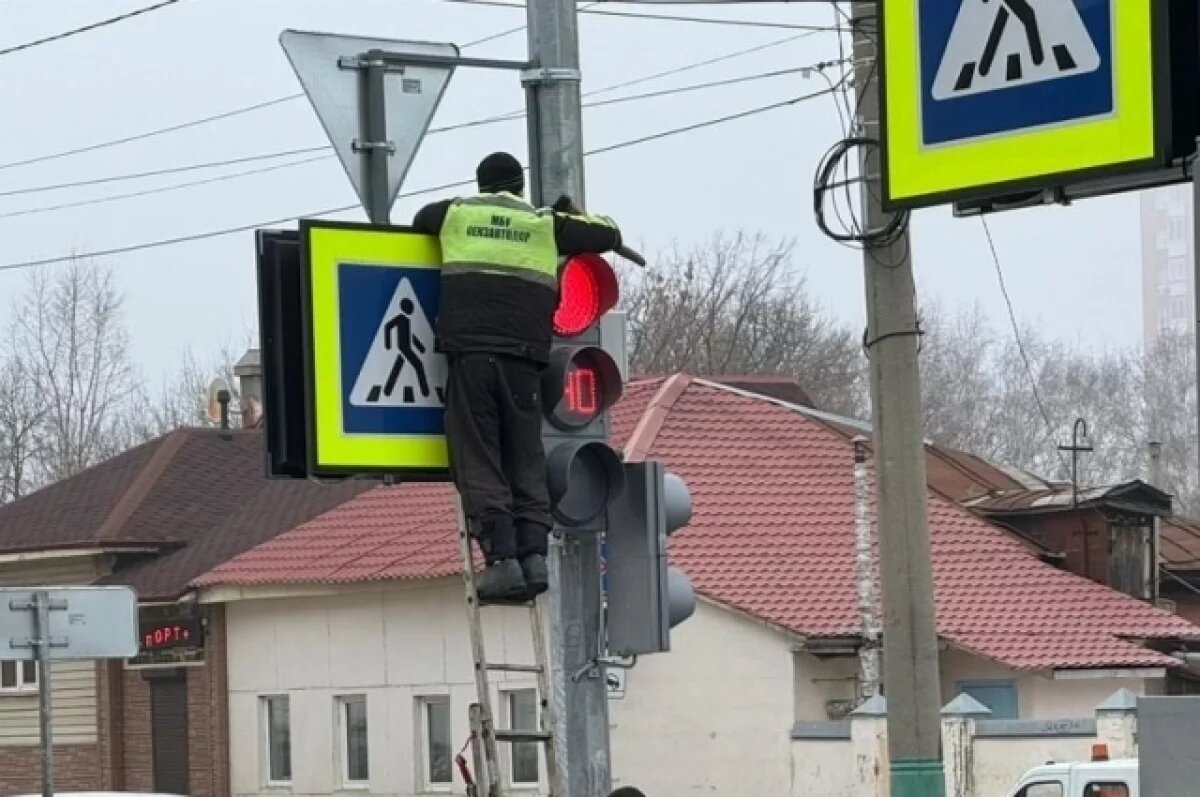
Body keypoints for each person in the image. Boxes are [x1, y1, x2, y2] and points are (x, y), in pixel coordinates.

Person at [411, 151, 624, 601]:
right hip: (525, 360)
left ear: (482, 183)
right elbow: (609, 233)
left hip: (471, 355)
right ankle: (534, 556)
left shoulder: (457, 213)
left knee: (479, 455)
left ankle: (501, 559)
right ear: (520, 186)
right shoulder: (546, 224)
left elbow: (418, 219)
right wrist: (571, 213)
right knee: (525, 454)